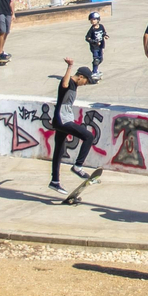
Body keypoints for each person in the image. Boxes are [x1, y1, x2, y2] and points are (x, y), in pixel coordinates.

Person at [48, 59, 96, 194]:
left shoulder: (74, 85)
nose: (85, 84)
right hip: (62, 120)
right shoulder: (68, 82)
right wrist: (70, 66)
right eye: (85, 81)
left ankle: (55, 181)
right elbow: (64, 83)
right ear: (80, 76)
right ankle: (78, 166)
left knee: (59, 150)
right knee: (89, 136)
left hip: (63, 120)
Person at [84, 10, 107, 81]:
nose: (92, 21)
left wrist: (105, 35)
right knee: (96, 59)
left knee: (101, 59)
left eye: (94, 19)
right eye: (91, 20)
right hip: (94, 47)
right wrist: (94, 42)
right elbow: (87, 38)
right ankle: (94, 72)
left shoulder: (101, 26)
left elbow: (103, 33)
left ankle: (96, 69)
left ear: (98, 19)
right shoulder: (92, 29)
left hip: (101, 46)